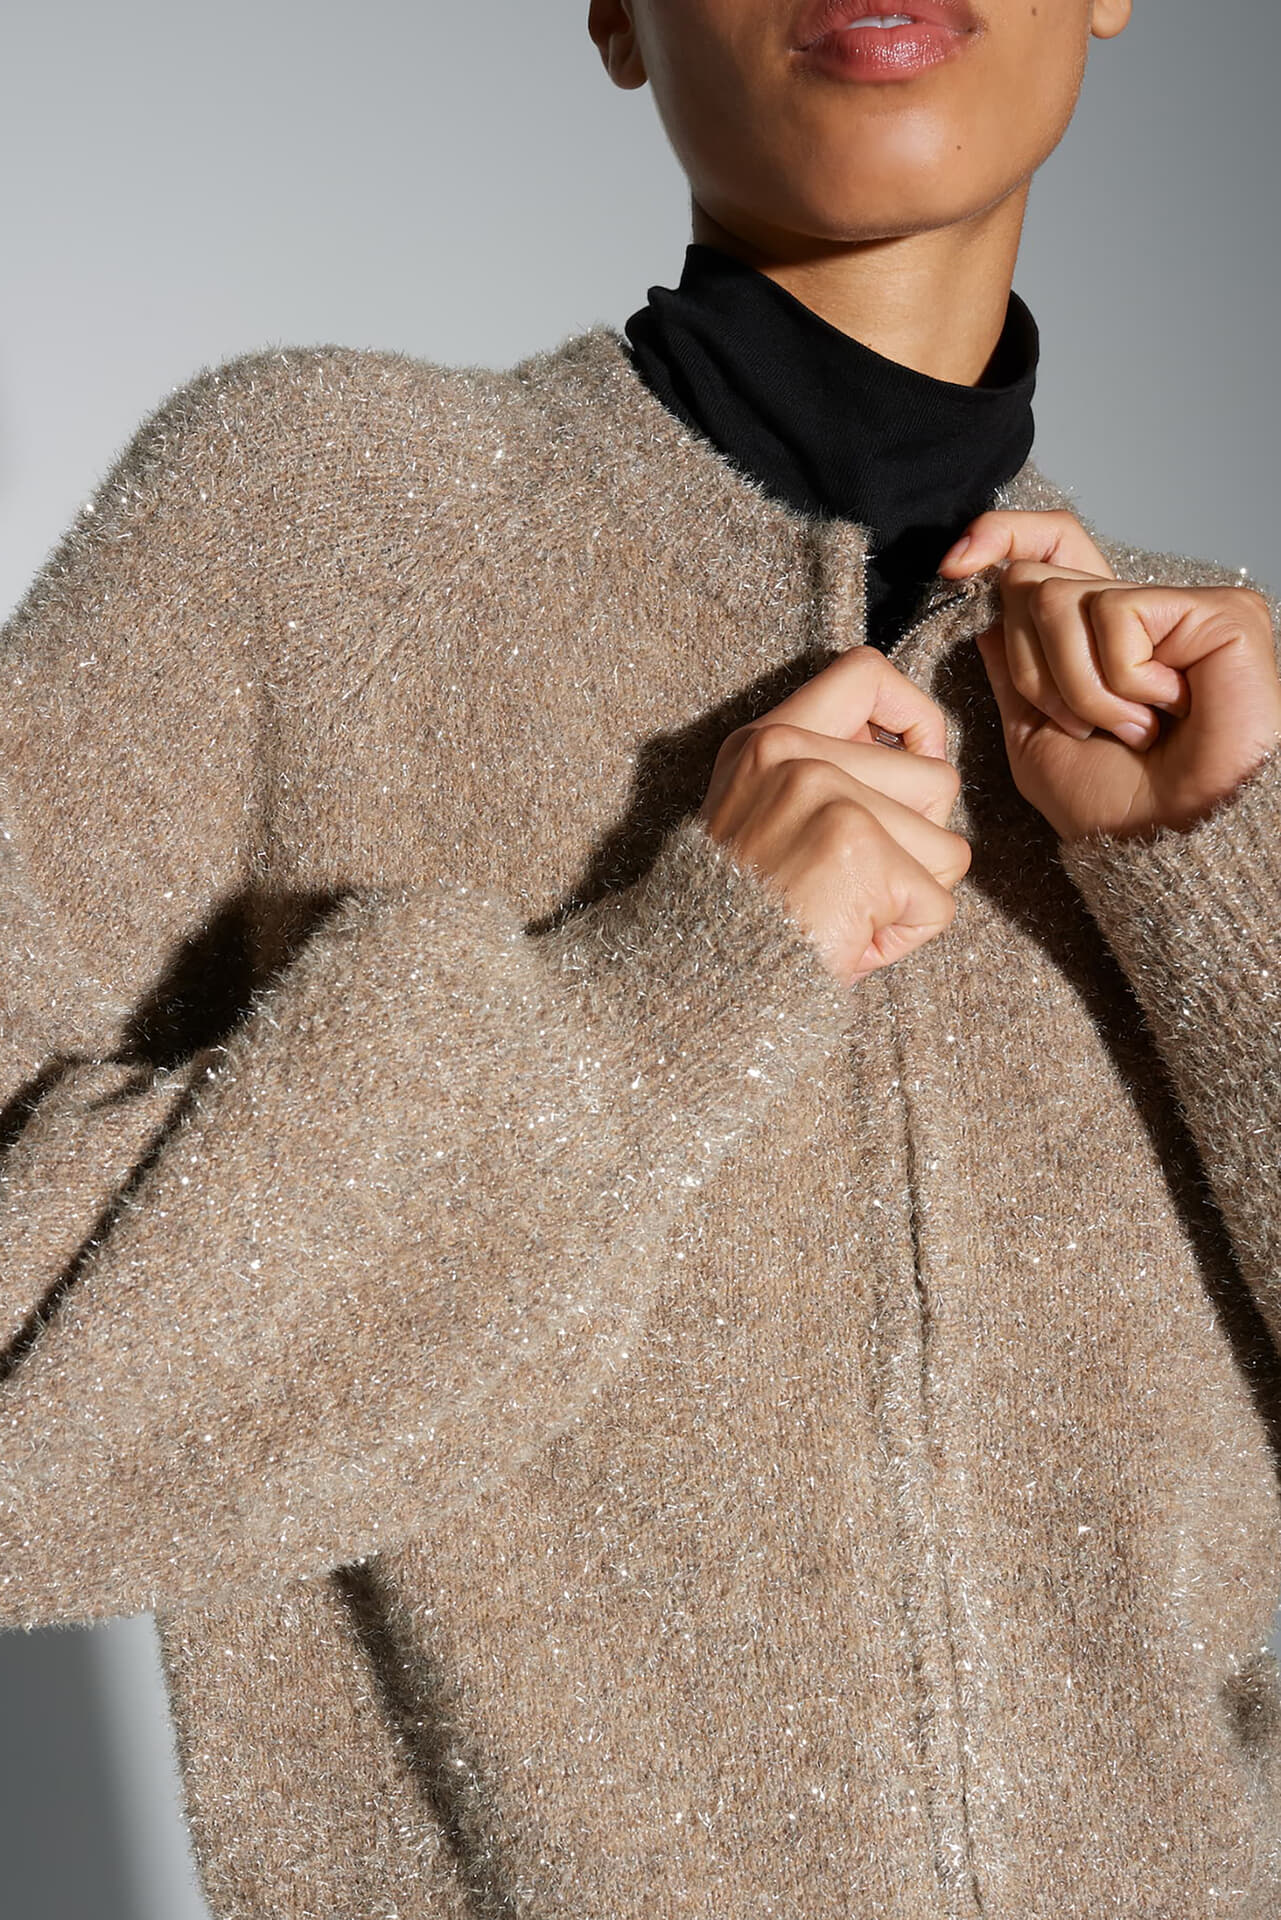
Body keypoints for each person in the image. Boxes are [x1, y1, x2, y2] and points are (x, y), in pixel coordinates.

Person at [1, 1, 1279, 1915]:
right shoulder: (310, 526)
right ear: (613, 12)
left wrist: (1223, 882)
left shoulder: (1196, 700)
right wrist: (666, 994)